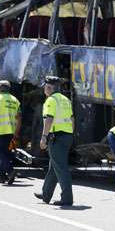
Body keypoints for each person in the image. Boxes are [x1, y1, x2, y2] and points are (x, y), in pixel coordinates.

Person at [34, 76, 74, 206]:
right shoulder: (65, 99)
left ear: (49, 88)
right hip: (67, 136)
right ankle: (46, 194)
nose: (44, 89)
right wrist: (70, 134)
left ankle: (67, 198)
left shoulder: (51, 100)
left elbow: (49, 119)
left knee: (60, 168)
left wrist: (44, 137)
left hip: (56, 137)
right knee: (54, 167)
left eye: (45, 87)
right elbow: (72, 119)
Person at [0, 80, 21, 185]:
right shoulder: (15, 100)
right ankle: (2, 177)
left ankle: (11, 171)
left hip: (1, 130)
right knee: (6, 154)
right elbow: (19, 118)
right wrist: (16, 133)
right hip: (11, 131)